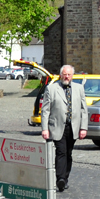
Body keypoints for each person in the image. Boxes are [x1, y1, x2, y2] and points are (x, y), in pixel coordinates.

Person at [40, 64, 87, 192]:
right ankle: (60, 178)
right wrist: (44, 128)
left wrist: (84, 128)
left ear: (72, 76)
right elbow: (45, 110)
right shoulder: (51, 88)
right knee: (61, 152)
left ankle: (65, 178)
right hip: (57, 126)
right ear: (61, 75)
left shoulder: (79, 88)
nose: (66, 76)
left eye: (69, 74)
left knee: (69, 153)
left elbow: (84, 110)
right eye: (64, 74)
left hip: (73, 127)